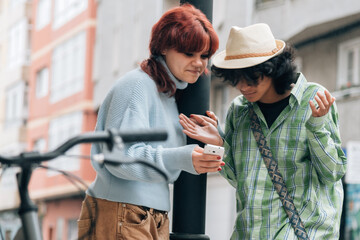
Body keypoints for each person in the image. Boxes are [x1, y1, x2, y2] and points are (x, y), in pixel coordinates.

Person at [179, 23, 347, 239]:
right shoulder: (239, 111)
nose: (243, 86)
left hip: (301, 233)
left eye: (252, 77)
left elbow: (332, 172)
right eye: (236, 78)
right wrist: (219, 144)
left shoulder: (314, 99)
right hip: (250, 233)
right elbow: (238, 180)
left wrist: (316, 126)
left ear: (273, 68)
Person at [77, 4, 222, 240]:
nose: (199, 63)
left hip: (147, 213)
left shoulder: (168, 93)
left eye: (204, 56)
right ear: (164, 47)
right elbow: (120, 158)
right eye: (189, 53)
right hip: (122, 209)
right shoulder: (138, 86)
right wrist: (183, 156)